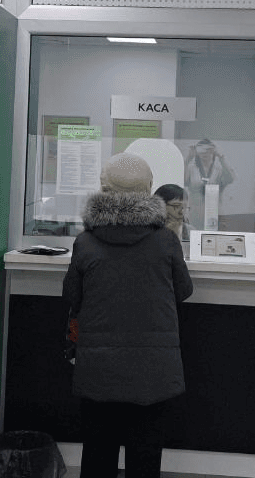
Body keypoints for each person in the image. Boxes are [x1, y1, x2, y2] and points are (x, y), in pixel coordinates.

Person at [63, 153, 193, 478]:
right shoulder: (166, 241)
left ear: (103, 189)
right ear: (149, 189)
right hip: (153, 373)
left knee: (98, 454)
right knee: (145, 457)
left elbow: (71, 297)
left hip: (99, 371)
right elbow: (183, 290)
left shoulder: (86, 243)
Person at [183, 138, 233, 230]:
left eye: (208, 150)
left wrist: (221, 157)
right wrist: (188, 158)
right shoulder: (191, 167)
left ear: (213, 151)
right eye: (201, 150)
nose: (205, 153)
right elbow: (182, 181)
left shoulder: (219, 168)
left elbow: (230, 178)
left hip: (214, 212)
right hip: (195, 212)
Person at [153, 183, 191, 251]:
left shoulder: (189, 230)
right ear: (160, 206)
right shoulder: (148, 230)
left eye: (185, 207)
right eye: (176, 206)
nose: (182, 212)